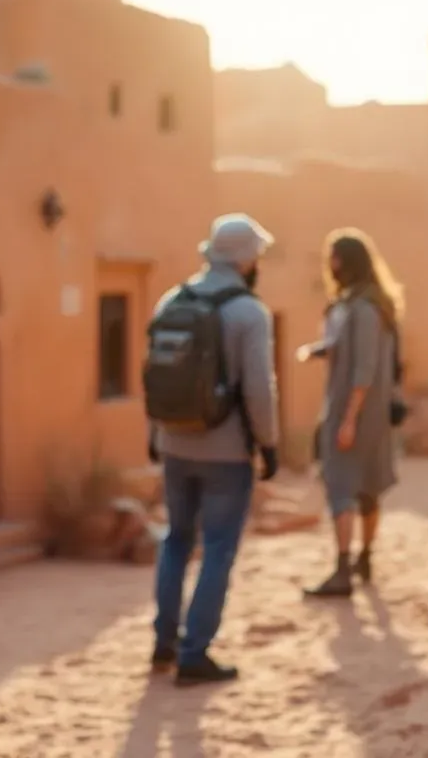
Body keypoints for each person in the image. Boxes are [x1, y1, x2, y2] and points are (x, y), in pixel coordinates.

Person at [147, 212, 280, 686]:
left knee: (176, 540)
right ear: (245, 260)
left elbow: (156, 374)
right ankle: (194, 652)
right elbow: (259, 390)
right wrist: (269, 445)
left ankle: (163, 641)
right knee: (219, 549)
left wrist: (155, 433)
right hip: (225, 452)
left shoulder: (171, 300)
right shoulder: (249, 312)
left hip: (174, 443)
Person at [298, 228, 402, 598]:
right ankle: (364, 559)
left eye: (335, 258)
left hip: (354, 413)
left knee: (342, 486)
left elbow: (364, 370)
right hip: (368, 415)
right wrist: (320, 351)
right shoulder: (370, 304)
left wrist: (347, 419)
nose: (332, 265)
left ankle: (343, 569)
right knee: (368, 487)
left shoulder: (363, 308)